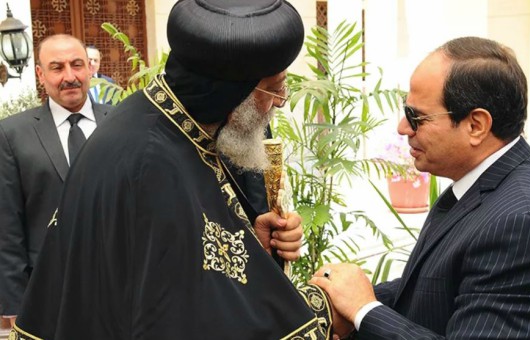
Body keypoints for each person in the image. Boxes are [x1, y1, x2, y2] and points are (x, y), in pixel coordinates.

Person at [11, 1, 336, 339]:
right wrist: (325, 306)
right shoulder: (153, 165)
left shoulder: (165, 121)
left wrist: (250, 239)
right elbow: (195, 320)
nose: (280, 102)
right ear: (231, 91)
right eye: (275, 88)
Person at [311, 36, 530, 339]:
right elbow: (434, 289)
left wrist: (364, 311)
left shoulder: (523, 225)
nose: (402, 128)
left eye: (416, 117)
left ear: (476, 125)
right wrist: (339, 301)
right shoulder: (481, 185)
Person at [0, 34, 113, 328]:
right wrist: (13, 300)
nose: (70, 77)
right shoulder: (11, 135)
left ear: (90, 68)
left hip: (120, 285)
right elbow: (7, 225)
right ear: (40, 74)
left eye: (77, 65)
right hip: (48, 292)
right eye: (57, 67)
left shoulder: (121, 122)